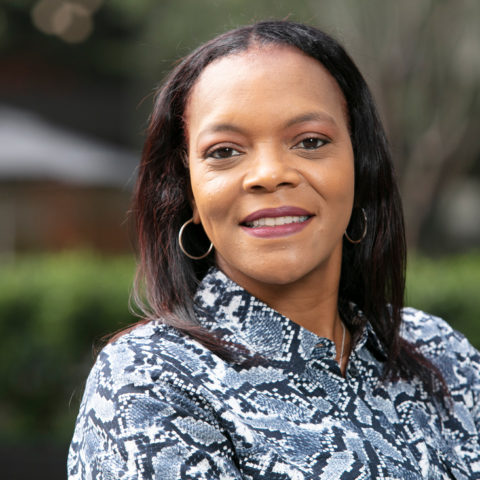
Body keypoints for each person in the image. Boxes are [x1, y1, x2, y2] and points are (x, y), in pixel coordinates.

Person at [68, 20, 480, 479]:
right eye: (224, 151)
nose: (269, 174)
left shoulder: (440, 353)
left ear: (360, 167)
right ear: (188, 193)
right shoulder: (150, 379)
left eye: (310, 142)